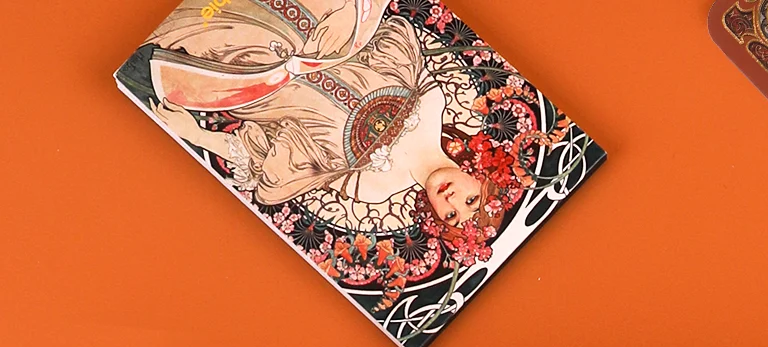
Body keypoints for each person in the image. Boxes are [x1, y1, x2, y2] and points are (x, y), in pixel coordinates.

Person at [143, 0, 531, 264]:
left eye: (451, 216)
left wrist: (196, 135)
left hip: (251, 72)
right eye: (471, 199)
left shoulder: (373, 187)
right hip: (310, 22)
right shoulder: (430, 105)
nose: (453, 201)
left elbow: (266, 157)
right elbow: (381, 33)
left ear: (435, 218)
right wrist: (344, 25)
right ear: (479, 173)